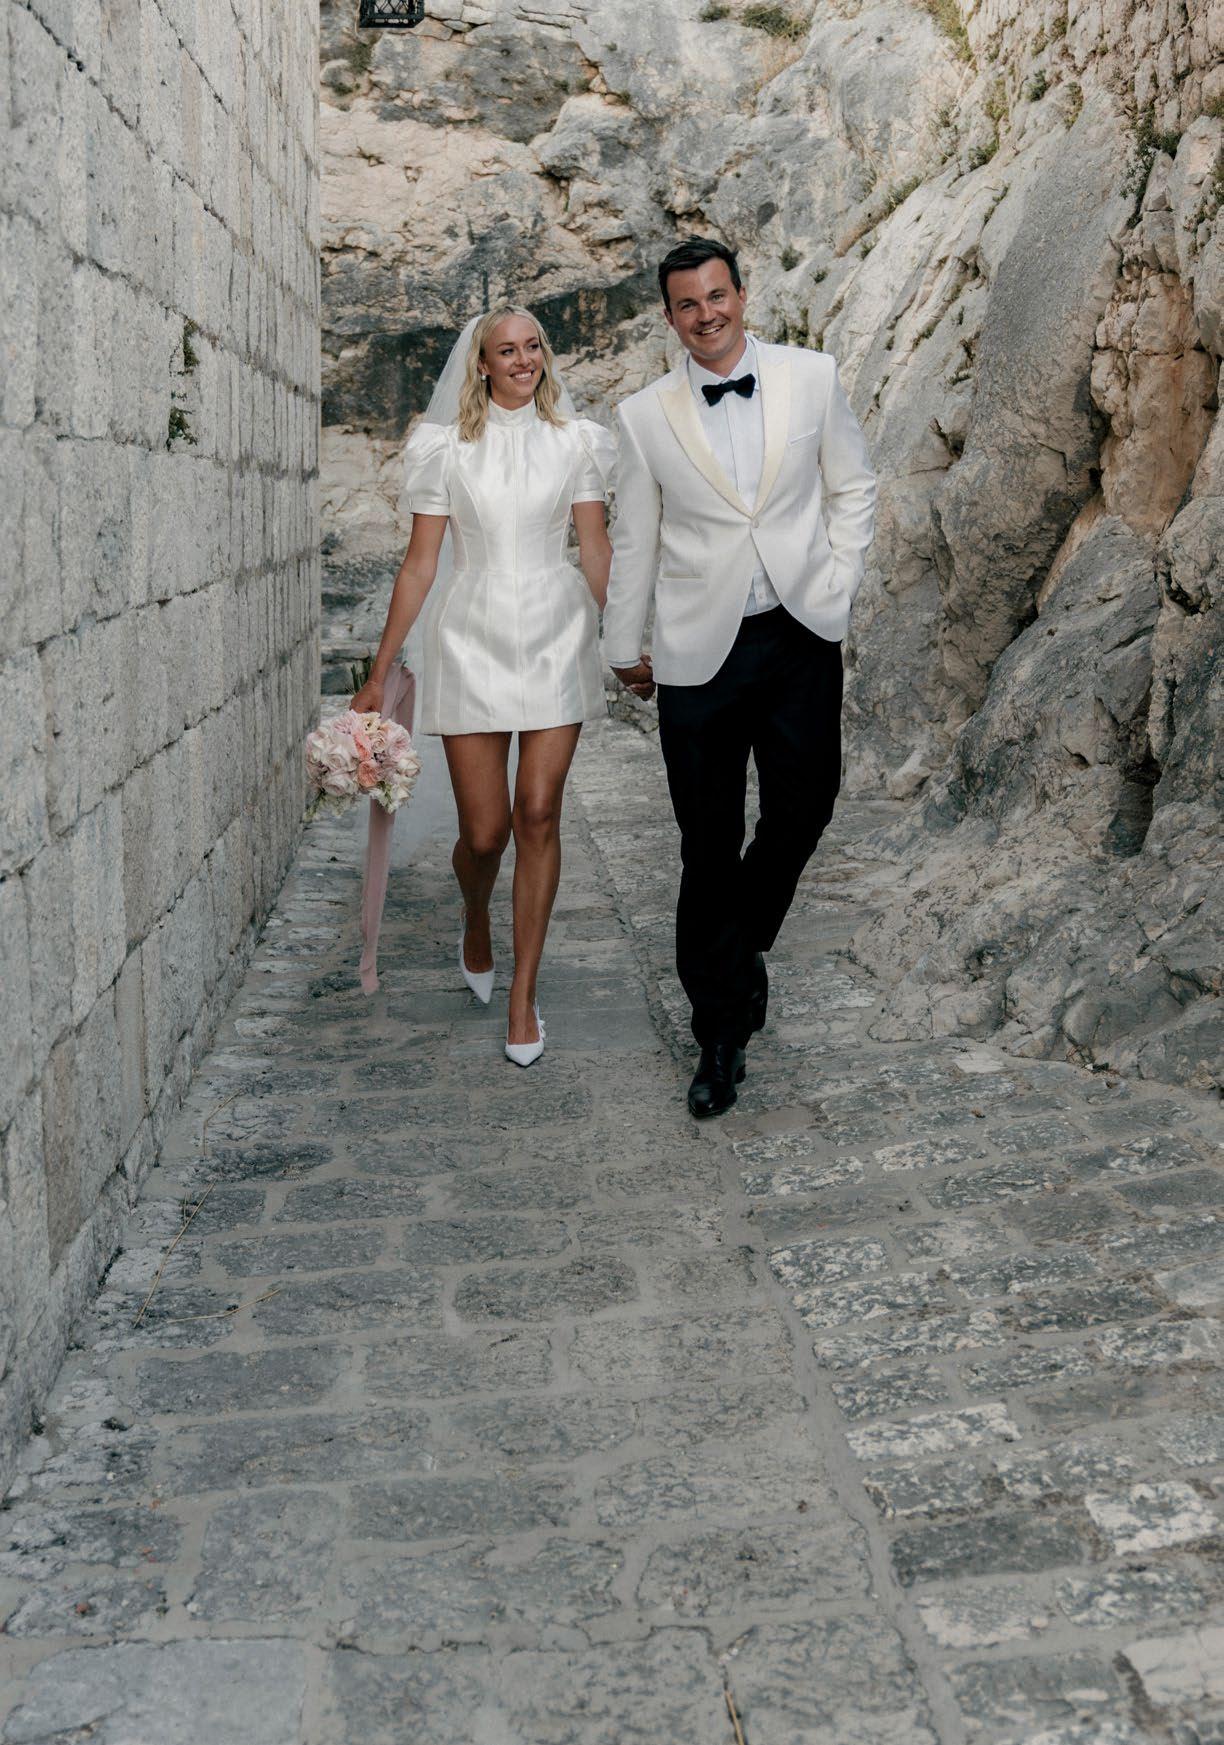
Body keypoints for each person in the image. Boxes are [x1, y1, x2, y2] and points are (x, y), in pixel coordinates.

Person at [602, 237, 876, 1118]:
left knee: (806, 805)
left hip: (799, 632)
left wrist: (837, 580)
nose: (706, 314)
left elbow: (853, 487)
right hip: (697, 655)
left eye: (717, 295)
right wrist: (622, 644)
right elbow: (635, 539)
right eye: (687, 303)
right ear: (669, 316)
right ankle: (719, 1035)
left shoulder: (811, 375)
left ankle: (737, 943)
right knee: (706, 842)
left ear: (742, 295)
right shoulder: (643, 415)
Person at [351, 307, 614, 1066]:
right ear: (483, 363)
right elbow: (420, 566)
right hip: (469, 636)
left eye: (534, 347)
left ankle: (523, 998)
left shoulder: (577, 441)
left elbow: (594, 546)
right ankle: (475, 909)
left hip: (557, 631)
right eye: (507, 350)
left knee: (538, 813)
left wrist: (630, 639)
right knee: (486, 832)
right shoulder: (445, 449)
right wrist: (378, 673)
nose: (524, 360)